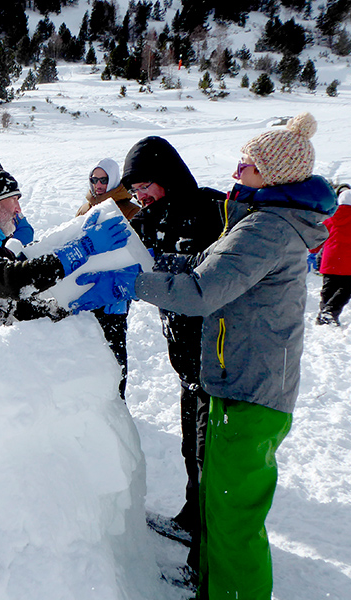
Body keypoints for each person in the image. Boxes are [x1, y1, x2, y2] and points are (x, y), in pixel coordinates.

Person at [72, 113, 337, 598]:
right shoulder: (260, 221)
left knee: (234, 518)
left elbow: (202, 289)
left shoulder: (263, 228)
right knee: (218, 499)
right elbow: (202, 265)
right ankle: (210, 583)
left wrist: (132, 282)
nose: (237, 171)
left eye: (247, 164)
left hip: (246, 384)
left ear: (270, 174)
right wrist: (144, 264)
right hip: (228, 376)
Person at [121, 136, 225, 548]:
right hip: (186, 361)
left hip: (219, 357)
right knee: (190, 447)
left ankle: (208, 549)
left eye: (144, 186)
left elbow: (220, 272)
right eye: (134, 190)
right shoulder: (146, 220)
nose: (140, 196)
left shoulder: (213, 209)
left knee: (209, 454)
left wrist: (162, 266)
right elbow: (117, 252)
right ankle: (192, 515)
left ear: (166, 176)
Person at [0, 164, 130, 333]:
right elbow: (11, 281)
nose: (18, 209)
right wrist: (80, 250)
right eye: (14, 199)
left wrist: (70, 307)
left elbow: (19, 305)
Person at [76, 158, 141, 400]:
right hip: (86, 286)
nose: (98, 184)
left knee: (114, 348)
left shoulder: (130, 210)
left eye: (103, 179)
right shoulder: (85, 208)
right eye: (94, 179)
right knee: (88, 349)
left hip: (115, 292)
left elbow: (138, 254)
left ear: (114, 179)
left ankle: (116, 400)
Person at [312, 186, 351, 325]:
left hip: (329, 259)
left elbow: (319, 236)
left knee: (328, 289)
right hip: (347, 260)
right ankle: (329, 313)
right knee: (346, 289)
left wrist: (313, 248)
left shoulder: (330, 215)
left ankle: (323, 317)